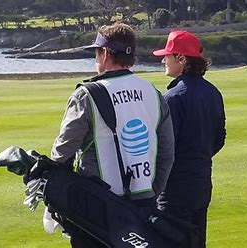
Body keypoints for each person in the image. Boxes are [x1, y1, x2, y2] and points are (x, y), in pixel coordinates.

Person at [51, 23, 175, 248]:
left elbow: (62, 153)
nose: (96, 58)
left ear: (106, 53)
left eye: (97, 52)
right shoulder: (153, 94)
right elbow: (166, 154)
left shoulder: (86, 95)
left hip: (98, 206)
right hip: (144, 203)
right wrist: (152, 192)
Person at [153, 31, 226, 248]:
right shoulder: (213, 92)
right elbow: (219, 138)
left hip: (174, 190)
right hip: (201, 184)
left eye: (168, 55)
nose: (163, 60)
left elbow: (164, 147)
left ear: (182, 59)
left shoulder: (172, 98)